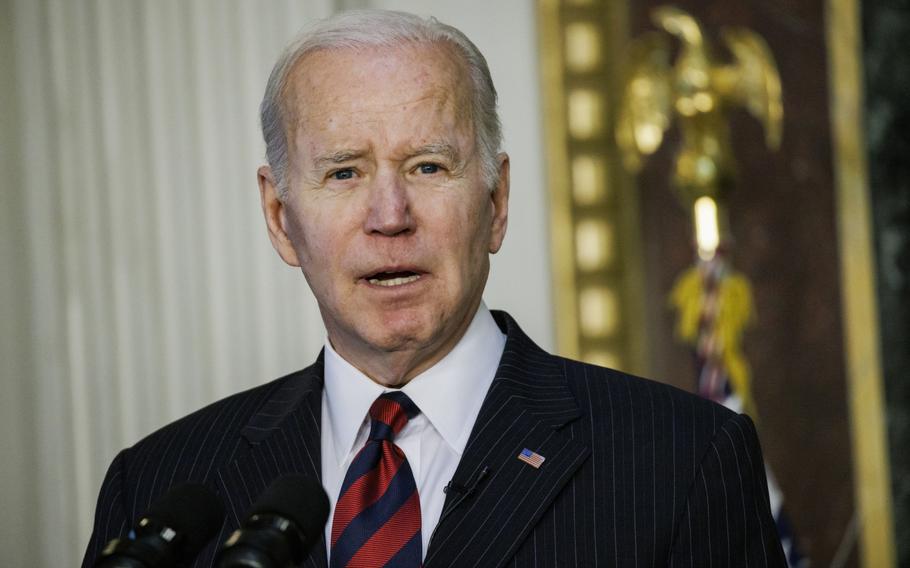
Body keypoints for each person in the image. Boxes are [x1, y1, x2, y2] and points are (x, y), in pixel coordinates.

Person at [83, 9, 786, 567]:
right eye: (344, 173)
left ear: (496, 201)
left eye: (427, 167)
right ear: (279, 218)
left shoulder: (683, 460)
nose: (389, 217)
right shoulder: (158, 486)